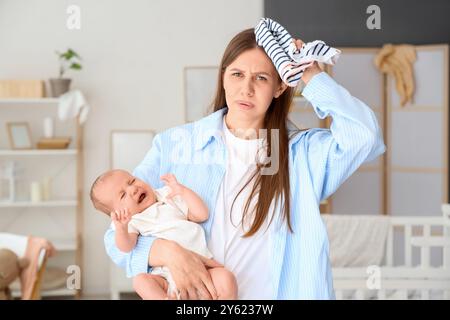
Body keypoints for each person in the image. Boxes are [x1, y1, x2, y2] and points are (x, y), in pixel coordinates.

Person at [104, 28, 385, 299]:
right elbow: (115, 240)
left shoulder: (303, 155)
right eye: (237, 74)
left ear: (280, 86)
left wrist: (311, 74)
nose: (246, 89)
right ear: (223, 77)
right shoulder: (174, 145)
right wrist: (168, 253)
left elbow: (364, 136)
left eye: (261, 78)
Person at [91, 169, 237, 299]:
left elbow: (202, 214)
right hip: (165, 278)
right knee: (140, 282)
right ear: (117, 212)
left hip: (201, 268)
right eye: (123, 195)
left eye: (132, 181)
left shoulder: (167, 195)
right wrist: (121, 229)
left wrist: (183, 191)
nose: (133, 189)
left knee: (226, 279)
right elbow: (126, 247)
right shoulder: (133, 220)